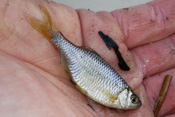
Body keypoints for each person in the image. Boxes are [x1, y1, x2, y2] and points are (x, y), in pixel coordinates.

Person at [0, 0, 174, 116]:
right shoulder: (116, 95)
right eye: (133, 100)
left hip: (81, 68)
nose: (134, 103)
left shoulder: (117, 96)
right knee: (57, 39)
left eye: (134, 99)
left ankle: (54, 35)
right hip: (81, 66)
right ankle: (54, 35)